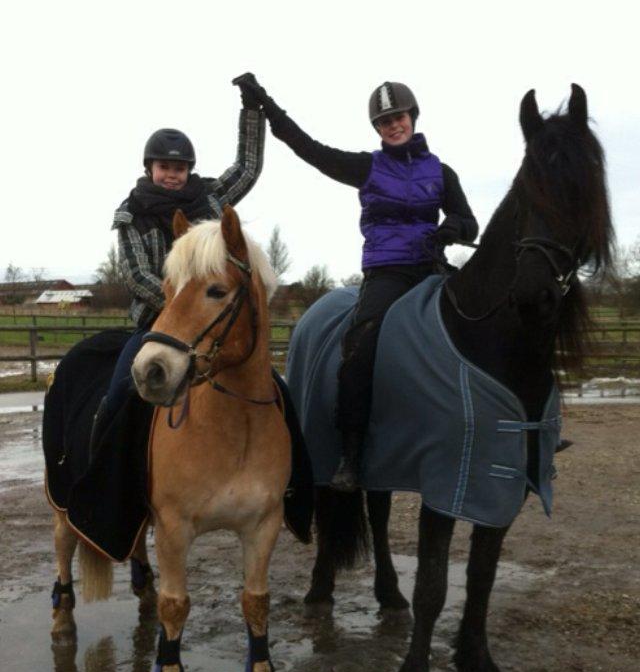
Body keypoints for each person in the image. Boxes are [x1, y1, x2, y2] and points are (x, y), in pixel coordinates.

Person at [233, 74, 479, 491]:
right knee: (360, 343)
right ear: (378, 130)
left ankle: (516, 430)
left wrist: (451, 226)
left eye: (398, 117)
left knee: (485, 321)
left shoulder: (442, 172)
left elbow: (469, 221)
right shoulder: (367, 167)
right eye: (384, 122)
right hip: (387, 272)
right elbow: (310, 150)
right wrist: (268, 108)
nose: (393, 126)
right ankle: (350, 452)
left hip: (432, 269)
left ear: (412, 117)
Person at [91, 77, 266, 451]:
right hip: (158, 325)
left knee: (275, 394)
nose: (172, 174)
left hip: (213, 324)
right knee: (118, 397)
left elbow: (247, 170)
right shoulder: (132, 214)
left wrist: (252, 110)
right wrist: (185, 303)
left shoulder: (210, 197)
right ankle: (102, 477)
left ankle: (296, 490)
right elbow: (138, 276)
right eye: (164, 167)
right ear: (150, 168)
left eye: (180, 168)